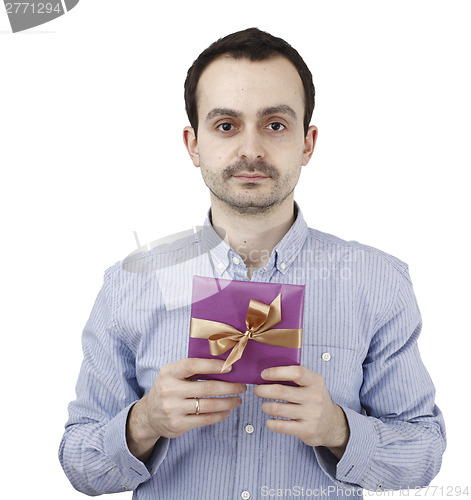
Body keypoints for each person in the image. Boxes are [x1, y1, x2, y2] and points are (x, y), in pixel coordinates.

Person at [59, 28, 446, 499]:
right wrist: (143, 423)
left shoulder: (378, 282)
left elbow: (424, 452)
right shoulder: (128, 284)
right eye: (226, 125)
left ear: (307, 143)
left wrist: (340, 430)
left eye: (275, 124)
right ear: (193, 144)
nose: (250, 150)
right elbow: (80, 465)